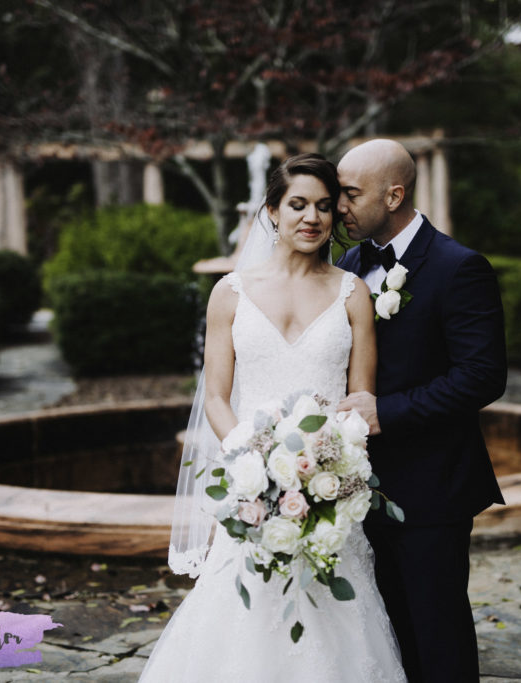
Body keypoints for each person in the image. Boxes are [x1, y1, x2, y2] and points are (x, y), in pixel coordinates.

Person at [140, 154, 407, 682]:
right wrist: (253, 463)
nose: (312, 218)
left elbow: (361, 399)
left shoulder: (354, 294)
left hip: (328, 489)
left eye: (325, 207)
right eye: (299, 204)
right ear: (272, 211)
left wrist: (329, 468)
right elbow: (216, 396)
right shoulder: (230, 293)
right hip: (251, 488)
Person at [335, 139, 507, 682]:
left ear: (394, 195)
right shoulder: (348, 264)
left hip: (433, 486)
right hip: (360, 488)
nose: (339, 206)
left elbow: (482, 376)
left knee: (438, 633)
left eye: (350, 194)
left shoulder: (459, 267)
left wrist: (387, 412)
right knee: (384, 630)